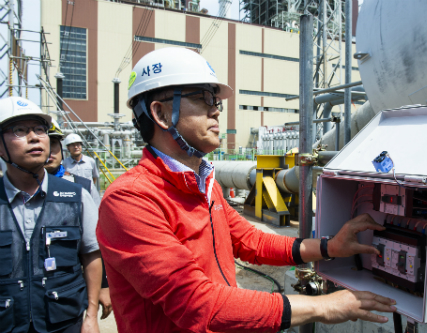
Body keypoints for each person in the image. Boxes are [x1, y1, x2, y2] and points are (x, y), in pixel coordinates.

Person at [96, 48, 396, 333]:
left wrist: (330, 248)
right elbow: (195, 303)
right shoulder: (130, 200)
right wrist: (321, 307)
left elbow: (250, 241)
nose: (216, 111)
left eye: (216, 101)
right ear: (161, 114)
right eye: (203, 98)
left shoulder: (203, 184)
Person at [0, 96, 102, 333]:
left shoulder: (76, 196)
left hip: (65, 323)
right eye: (20, 130)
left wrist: (91, 316)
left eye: (39, 129)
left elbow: (91, 255)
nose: (34, 137)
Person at [45, 122, 112, 320]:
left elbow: (94, 242)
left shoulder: (79, 187)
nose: (48, 150)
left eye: (53, 144)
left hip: (68, 287)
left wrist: (103, 284)